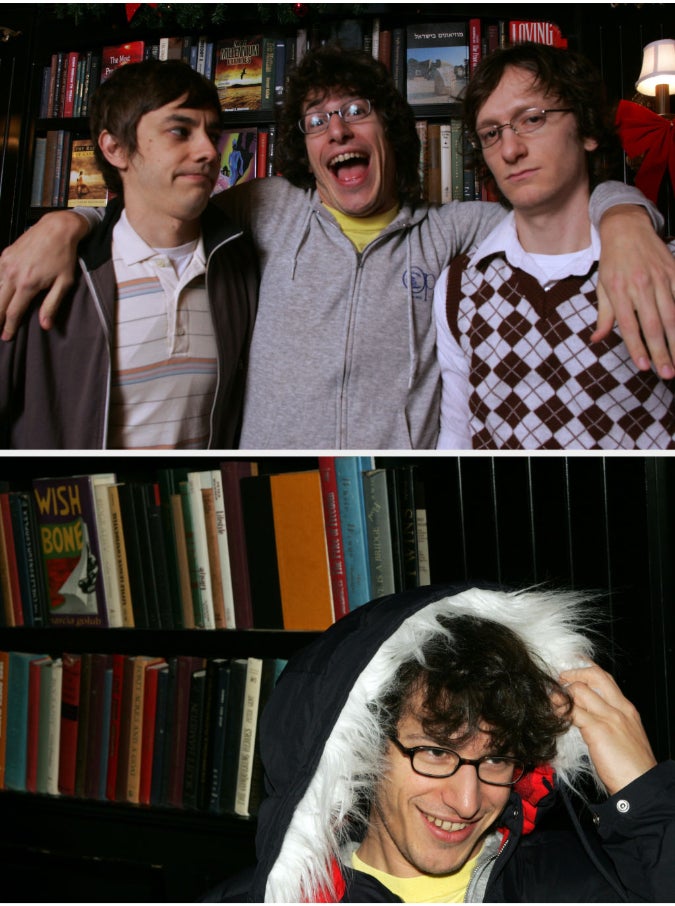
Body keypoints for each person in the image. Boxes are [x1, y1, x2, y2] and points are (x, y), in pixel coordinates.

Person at [1, 45, 674, 449]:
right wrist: (67, 222)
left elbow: (552, 205)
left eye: (356, 112)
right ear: (304, 146)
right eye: (317, 120)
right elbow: (161, 204)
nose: (337, 131)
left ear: (389, 130)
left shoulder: (455, 230)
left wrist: (624, 217)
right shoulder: (265, 208)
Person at [204, 583, 675, 902]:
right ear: (360, 752)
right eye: (435, 752)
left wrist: (644, 794)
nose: (467, 801)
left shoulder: (574, 882)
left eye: (494, 758)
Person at [0, 59, 258, 449]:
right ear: (115, 148)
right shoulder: (40, 271)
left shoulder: (240, 268)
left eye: (213, 133)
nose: (209, 151)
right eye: (180, 131)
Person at [434, 43, 675, 449]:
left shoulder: (658, 265)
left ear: (587, 131)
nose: (510, 150)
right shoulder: (459, 285)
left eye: (531, 119)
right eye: (491, 133)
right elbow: (457, 436)